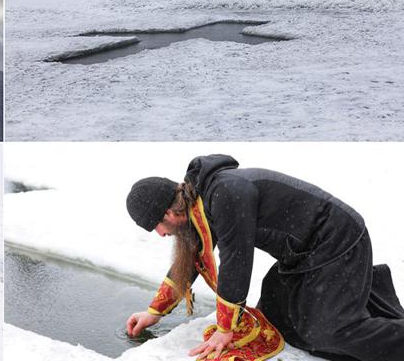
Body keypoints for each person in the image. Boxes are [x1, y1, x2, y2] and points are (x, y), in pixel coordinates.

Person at [124, 154, 404, 361]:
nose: (160, 234)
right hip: (302, 257)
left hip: (336, 244)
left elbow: (237, 260)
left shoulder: (225, 194)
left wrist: (225, 329)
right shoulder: (200, 204)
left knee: (329, 332)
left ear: (169, 213)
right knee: (278, 321)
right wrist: (153, 312)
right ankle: (363, 293)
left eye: (155, 226)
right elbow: (190, 259)